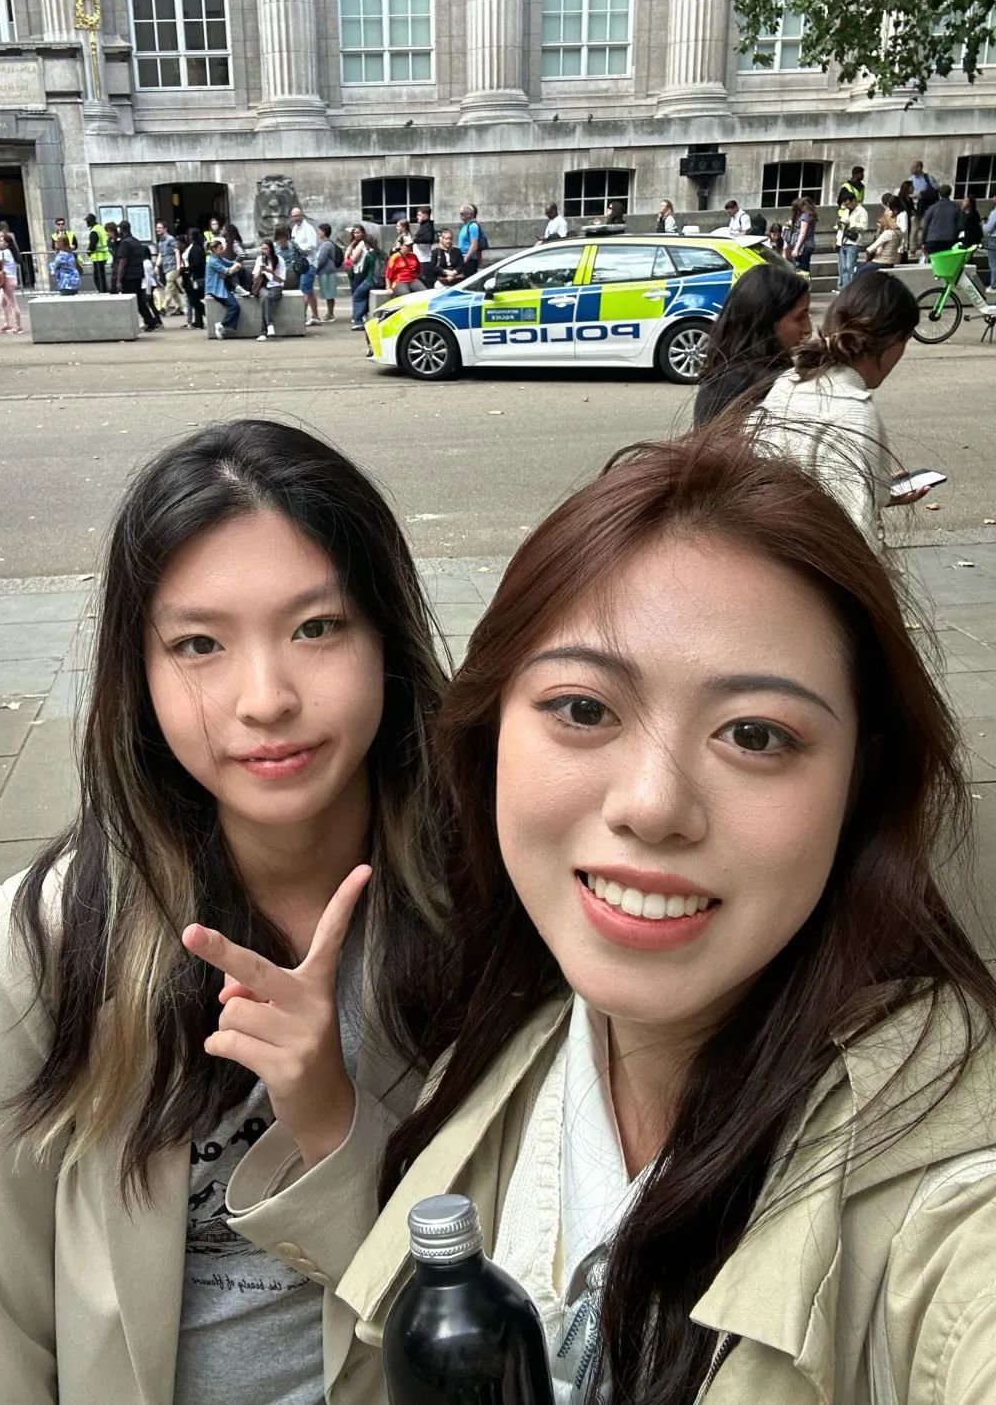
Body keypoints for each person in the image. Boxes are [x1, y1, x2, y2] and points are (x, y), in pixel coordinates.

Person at [220, 433, 996, 1405]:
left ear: (860, 782)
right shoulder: (519, 1039)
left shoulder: (944, 1185)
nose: (651, 804)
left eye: (754, 734)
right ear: (490, 737)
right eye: (584, 710)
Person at [0, 421, 454, 1405]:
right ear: (141, 675)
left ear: (385, 637)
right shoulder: (52, 940)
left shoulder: (478, 911)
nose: (265, 698)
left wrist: (332, 1123)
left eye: (316, 628)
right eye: (199, 644)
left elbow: (520, 1283)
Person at [750, 270, 926, 550]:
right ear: (893, 342)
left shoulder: (790, 380)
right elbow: (858, 539)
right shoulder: (854, 413)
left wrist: (878, 487)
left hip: (768, 551)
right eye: (905, 342)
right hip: (813, 566)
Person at [692, 261, 811, 426]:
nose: (808, 328)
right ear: (766, 320)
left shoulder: (721, 374)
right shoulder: (774, 386)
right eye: (800, 317)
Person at [115, 222, 159, 331]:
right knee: (139, 300)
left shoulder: (125, 243)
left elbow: (122, 262)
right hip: (138, 275)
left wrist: (118, 280)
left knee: (129, 302)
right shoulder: (136, 242)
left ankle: (133, 324)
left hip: (128, 277)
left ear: (122, 230)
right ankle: (150, 321)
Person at [344, 224, 377, 330]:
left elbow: (351, 260)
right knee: (358, 295)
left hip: (361, 273)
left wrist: (347, 257)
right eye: (354, 232)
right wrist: (350, 247)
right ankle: (358, 316)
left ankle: (358, 318)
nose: (356, 235)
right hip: (356, 272)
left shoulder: (363, 246)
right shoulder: (356, 244)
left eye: (358, 232)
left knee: (357, 295)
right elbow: (348, 260)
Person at [205, 238, 239, 337]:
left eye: (222, 248)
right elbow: (228, 271)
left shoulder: (220, 258)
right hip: (216, 289)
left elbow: (231, 264)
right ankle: (222, 325)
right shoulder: (212, 261)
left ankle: (238, 287)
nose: (223, 250)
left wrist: (235, 266)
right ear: (214, 250)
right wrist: (235, 266)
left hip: (222, 286)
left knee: (240, 272)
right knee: (234, 306)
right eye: (220, 248)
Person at [920, 182, 963, 261]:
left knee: (933, 262)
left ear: (939, 194)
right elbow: (960, 225)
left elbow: (926, 226)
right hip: (949, 239)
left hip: (932, 239)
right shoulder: (956, 207)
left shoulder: (932, 208)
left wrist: (923, 242)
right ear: (950, 193)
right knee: (946, 262)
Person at [836, 190, 870, 289]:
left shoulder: (862, 211)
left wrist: (850, 224)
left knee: (849, 267)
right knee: (843, 268)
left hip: (853, 242)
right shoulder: (846, 211)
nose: (847, 206)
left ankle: (850, 288)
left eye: (848, 204)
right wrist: (839, 225)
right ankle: (844, 288)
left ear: (854, 201)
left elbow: (864, 227)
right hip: (843, 241)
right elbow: (842, 225)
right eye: (845, 205)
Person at [252, 237, 285, 339]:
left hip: (276, 286)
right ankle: (270, 326)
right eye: (262, 249)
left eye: (266, 249)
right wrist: (260, 271)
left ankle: (263, 332)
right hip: (263, 285)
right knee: (266, 297)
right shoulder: (259, 259)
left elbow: (281, 281)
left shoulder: (279, 260)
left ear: (271, 249)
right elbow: (255, 278)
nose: (264, 251)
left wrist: (271, 272)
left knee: (266, 300)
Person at [0, 228, 22, 334]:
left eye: (1, 241)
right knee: (1, 302)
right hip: (12, 278)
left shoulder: (2, 253)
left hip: (7, 280)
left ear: (6, 243)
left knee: (12, 304)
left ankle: (18, 326)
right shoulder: (12, 252)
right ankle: (6, 323)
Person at [909, 161, 938, 252]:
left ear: (919, 168)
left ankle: (926, 247)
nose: (911, 169)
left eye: (913, 167)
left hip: (927, 206)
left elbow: (935, 191)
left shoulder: (928, 178)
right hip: (916, 207)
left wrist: (921, 195)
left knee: (928, 227)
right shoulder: (910, 180)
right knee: (914, 228)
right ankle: (912, 248)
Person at [153, 220, 182, 315]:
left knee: (169, 287)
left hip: (172, 266)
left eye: (160, 228)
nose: (157, 229)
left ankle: (164, 307)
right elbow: (160, 254)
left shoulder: (170, 239)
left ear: (165, 229)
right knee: (173, 288)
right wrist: (157, 266)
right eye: (157, 227)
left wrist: (178, 265)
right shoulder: (160, 242)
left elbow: (176, 251)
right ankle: (179, 307)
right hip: (165, 267)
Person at [783, 197, 817, 275]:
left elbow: (802, 233)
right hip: (808, 245)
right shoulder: (810, 215)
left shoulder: (805, 216)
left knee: (802, 268)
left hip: (803, 246)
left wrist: (796, 249)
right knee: (804, 267)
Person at [314, 223, 340, 322]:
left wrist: (315, 269)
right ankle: (330, 313)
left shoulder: (326, 244)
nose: (318, 233)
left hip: (327, 271)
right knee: (328, 293)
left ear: (324, 232)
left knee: (329, 293)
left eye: (320, 231)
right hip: (326, 271)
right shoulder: (326, 243)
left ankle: (330, 313)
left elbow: (322, 259)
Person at [180, 229, 206, 328]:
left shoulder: (195, 248)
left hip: (193, 277)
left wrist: (185, 269)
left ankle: (207, 313)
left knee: (194, 300)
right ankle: (199, 322)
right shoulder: (192, 246)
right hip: (189, 276)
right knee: (194, 298)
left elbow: (196, 264)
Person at [84, 213, 111, 294]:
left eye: (88, 221)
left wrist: (88, 252)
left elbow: (92, 246)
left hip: (98, 257)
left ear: (92, 221)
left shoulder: (94, 231)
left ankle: (103, 292)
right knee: (101, 275)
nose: (87, 223)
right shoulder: (100, 228)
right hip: (104, 255)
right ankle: (105, 290)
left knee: (98, 277)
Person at [457, 204, 485, 271]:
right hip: (463, 258)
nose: (460, 216)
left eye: (462, 214)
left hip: (470, 260)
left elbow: (474, 246)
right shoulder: (464, 226)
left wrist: (465, 259)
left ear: (469, 215)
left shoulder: (473, 226)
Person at [983, 201, 996, 290]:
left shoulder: (994, 213)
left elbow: (989, 228)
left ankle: (994, 284)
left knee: (993, 263)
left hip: (994, 239)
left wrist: (984, 224)